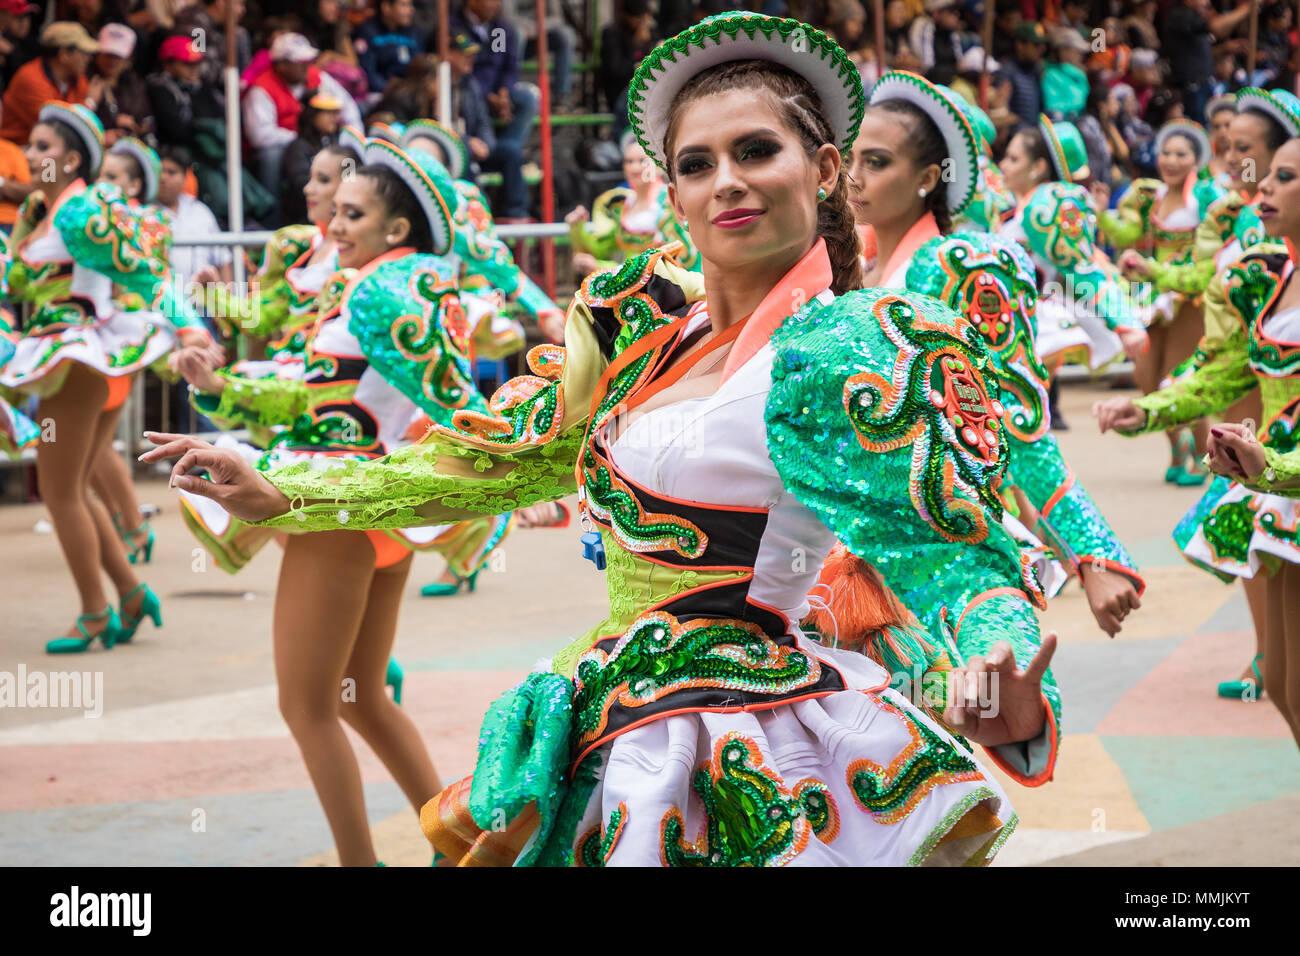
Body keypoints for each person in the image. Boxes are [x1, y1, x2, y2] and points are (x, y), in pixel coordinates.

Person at [143, 12, 1063, 867]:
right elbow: (493, 459)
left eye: (756, 151)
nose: (727, 181)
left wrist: (1002, 670)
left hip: (747, 736)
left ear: (824, 169)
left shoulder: (850, 350)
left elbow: (954, 557)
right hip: (611, 709)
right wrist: (286, 489)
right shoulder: (648, 325)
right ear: (674, 191)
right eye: (697, 164)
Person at [150, 140, 510, 865]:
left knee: (307, 705)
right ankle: (462, 846)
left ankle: (361, 863)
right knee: (359, 696)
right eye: (334, 209)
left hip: (336, 512)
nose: (334, 224)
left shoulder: (379, 293)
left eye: (352, 213)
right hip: (368, 508)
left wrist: (501, 473)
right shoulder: (370, 287)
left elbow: (455, 403)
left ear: (396, 230)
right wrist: (221, 390)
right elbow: (311, 400)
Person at [850, 70, 1144, 642]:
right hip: (851, 554)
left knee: (966, 714)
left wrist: (1094, 555)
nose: (853, 179)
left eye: (878, 162)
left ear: (928, 177)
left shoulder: (966, 266)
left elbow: (1017, 423)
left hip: (945, 556)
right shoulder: (849, 270)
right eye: (851, 159)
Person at [1096, 106, 1300, 744]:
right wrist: (1150, 409)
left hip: (1286, 483)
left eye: (1285, 175)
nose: (1263, 183)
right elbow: (1226, 374)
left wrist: (1275, 468)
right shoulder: (1266, 276)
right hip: (1284, 501)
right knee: (1286, 689)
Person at [0, 103, 214, 652]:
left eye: (43, 147)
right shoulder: (42, 211)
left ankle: (95, 611)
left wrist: (190, 330)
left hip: (76, 358)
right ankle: (130, 592)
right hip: (59, 354)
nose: (31, 155)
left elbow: (147, 273)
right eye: (32, 145)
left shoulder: (79, 214)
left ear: (71, 159)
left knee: (59, 491)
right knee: (75, 487)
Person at [1093, 120, 1225, 486]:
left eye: (1181, 154)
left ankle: (1202, 457)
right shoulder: (1149, 195)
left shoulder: (1207, 197)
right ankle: (1176, 451)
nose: (1171, 160)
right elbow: (1129, 233)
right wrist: (1103, 212)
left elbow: (1214, 254)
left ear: (1196, 159)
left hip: (1190, 297)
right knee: (1147, 377)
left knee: (1179, 377)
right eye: (1166, 152)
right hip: (1153, 295)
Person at [996, 115, 1148, 386]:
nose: (1003, 165)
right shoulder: (1019, 206)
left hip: (1026, 328)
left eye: (1013, 158)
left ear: (1039, 166)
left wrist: (1125, 323)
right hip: (1001, 323)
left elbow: (1084, 271)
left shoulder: (1048, 206)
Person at [243, 33, 361, 219]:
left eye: (307, 60)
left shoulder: (316, 76)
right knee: (271, 156)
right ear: (281, 64)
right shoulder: (261, 89)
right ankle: (271, 218)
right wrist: (300, 138)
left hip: (319, 140)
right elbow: (260, 135)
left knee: (347, 153)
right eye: (299, 61)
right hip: (285, 145)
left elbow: (348, 106)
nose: (306, 65)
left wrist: (354, 138)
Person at [566, 132, 698, 277]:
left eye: (642, 161)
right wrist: (577, 228)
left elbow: (681, 262)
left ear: (659, 165)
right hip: (628, 287)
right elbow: (599, 249)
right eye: (629, 162)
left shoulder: (671, 203)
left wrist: (604, 268)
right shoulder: (619, 204)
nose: (634, 168)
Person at [445, 30, 530, 219]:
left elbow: (483, 121)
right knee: (463, 151)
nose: (471, 59)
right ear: (449, 54)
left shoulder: (471, 84)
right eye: (465, 54)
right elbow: (436, 128)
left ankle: (516, 214)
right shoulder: (437, 83)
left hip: (476, 149)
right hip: (451, 151)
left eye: (473, 54)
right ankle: (476, 214)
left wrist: (485, 144)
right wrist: (467, 142)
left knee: (511, 151)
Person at [0, 21, 96, 146]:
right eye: (83, 53)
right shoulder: (31, 79)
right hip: (15, 152)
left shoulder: (77, 79)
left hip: (47, 153)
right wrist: (90, 103)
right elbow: (60, 131)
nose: (88, 59)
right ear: (64, 54)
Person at [1163, 0, 1252, 125]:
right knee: (1200, 126)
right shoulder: (1181, 15)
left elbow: (1197, 52)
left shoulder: (1193, 17)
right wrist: (1247, 8)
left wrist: (1225, 48)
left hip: (1204, 85)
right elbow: (1217, 27)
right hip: (1192, 87)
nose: (1207, 3)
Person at [146, 34, 223, 151]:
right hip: (176, 151)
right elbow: (176, 131)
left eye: (197, 63)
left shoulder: (203, 87)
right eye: (187, 64)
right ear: (167, 65)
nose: (194, 69)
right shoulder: (159, 88)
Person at [281, 92, 344, 227]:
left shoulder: (341, 144)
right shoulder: (298, 147)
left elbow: (351, 177)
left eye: (336, 113)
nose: (334, 118)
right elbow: (300, 184)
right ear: (312, 116)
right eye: (328, 113)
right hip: (305, 218)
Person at [89, 22, 151, 144]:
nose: (112, 61)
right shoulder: (87, 81)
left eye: (118, 56)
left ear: (129, 59)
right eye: (108, 54)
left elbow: (148, 119)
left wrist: (137, 125)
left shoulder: (134, 84)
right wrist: (113, 122)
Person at [352, 0, 426, 97]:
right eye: (404, 5)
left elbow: (421, 66)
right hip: (378, 95)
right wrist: (391, 89)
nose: (411, 10)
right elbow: (366, 72)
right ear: (386, 7)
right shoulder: (367, 32)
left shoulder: (413, 32)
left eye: (410, 5)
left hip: (410, 93)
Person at [996, 20, 1046, 128]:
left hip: (1033, 136)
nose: (1041, 49)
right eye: (1036, 44)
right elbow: (1003, 114)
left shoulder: (1037, 71)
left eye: (1042, 45)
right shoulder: (1007, 71)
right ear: (1020, 45)